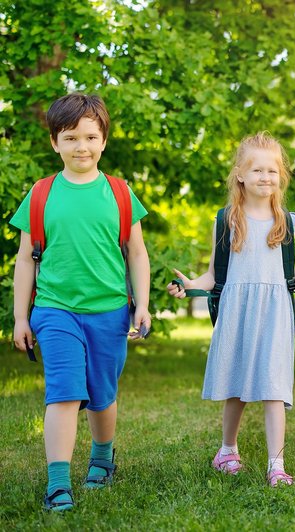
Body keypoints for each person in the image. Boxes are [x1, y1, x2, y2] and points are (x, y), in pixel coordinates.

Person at [167, 132, 295, 487]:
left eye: (272, 170)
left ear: (280, 175)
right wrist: (188, 286)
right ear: (240, 174)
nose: (265, 177)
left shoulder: (287, 221)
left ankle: (276, 464)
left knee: (274, 387)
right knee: (236, 385)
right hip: (237, 312)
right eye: (257, 170)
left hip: (274, 314)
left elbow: (290, 275)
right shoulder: (226, 220)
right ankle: (227, 450)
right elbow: (213, 275)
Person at [11, 93, 151, 511]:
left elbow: (137, 253)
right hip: (55, 310)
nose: (81, 147)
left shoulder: (120, 193)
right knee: (63, 392)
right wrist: (21, 317)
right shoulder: (40, 194)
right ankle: (58, 484)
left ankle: (103, 456)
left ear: (104, 140)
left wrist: (141, 304)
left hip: (109, 311)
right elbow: (24, 259)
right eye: (70, 137)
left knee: (101, 394)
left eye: (90, 137)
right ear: (55, 142)